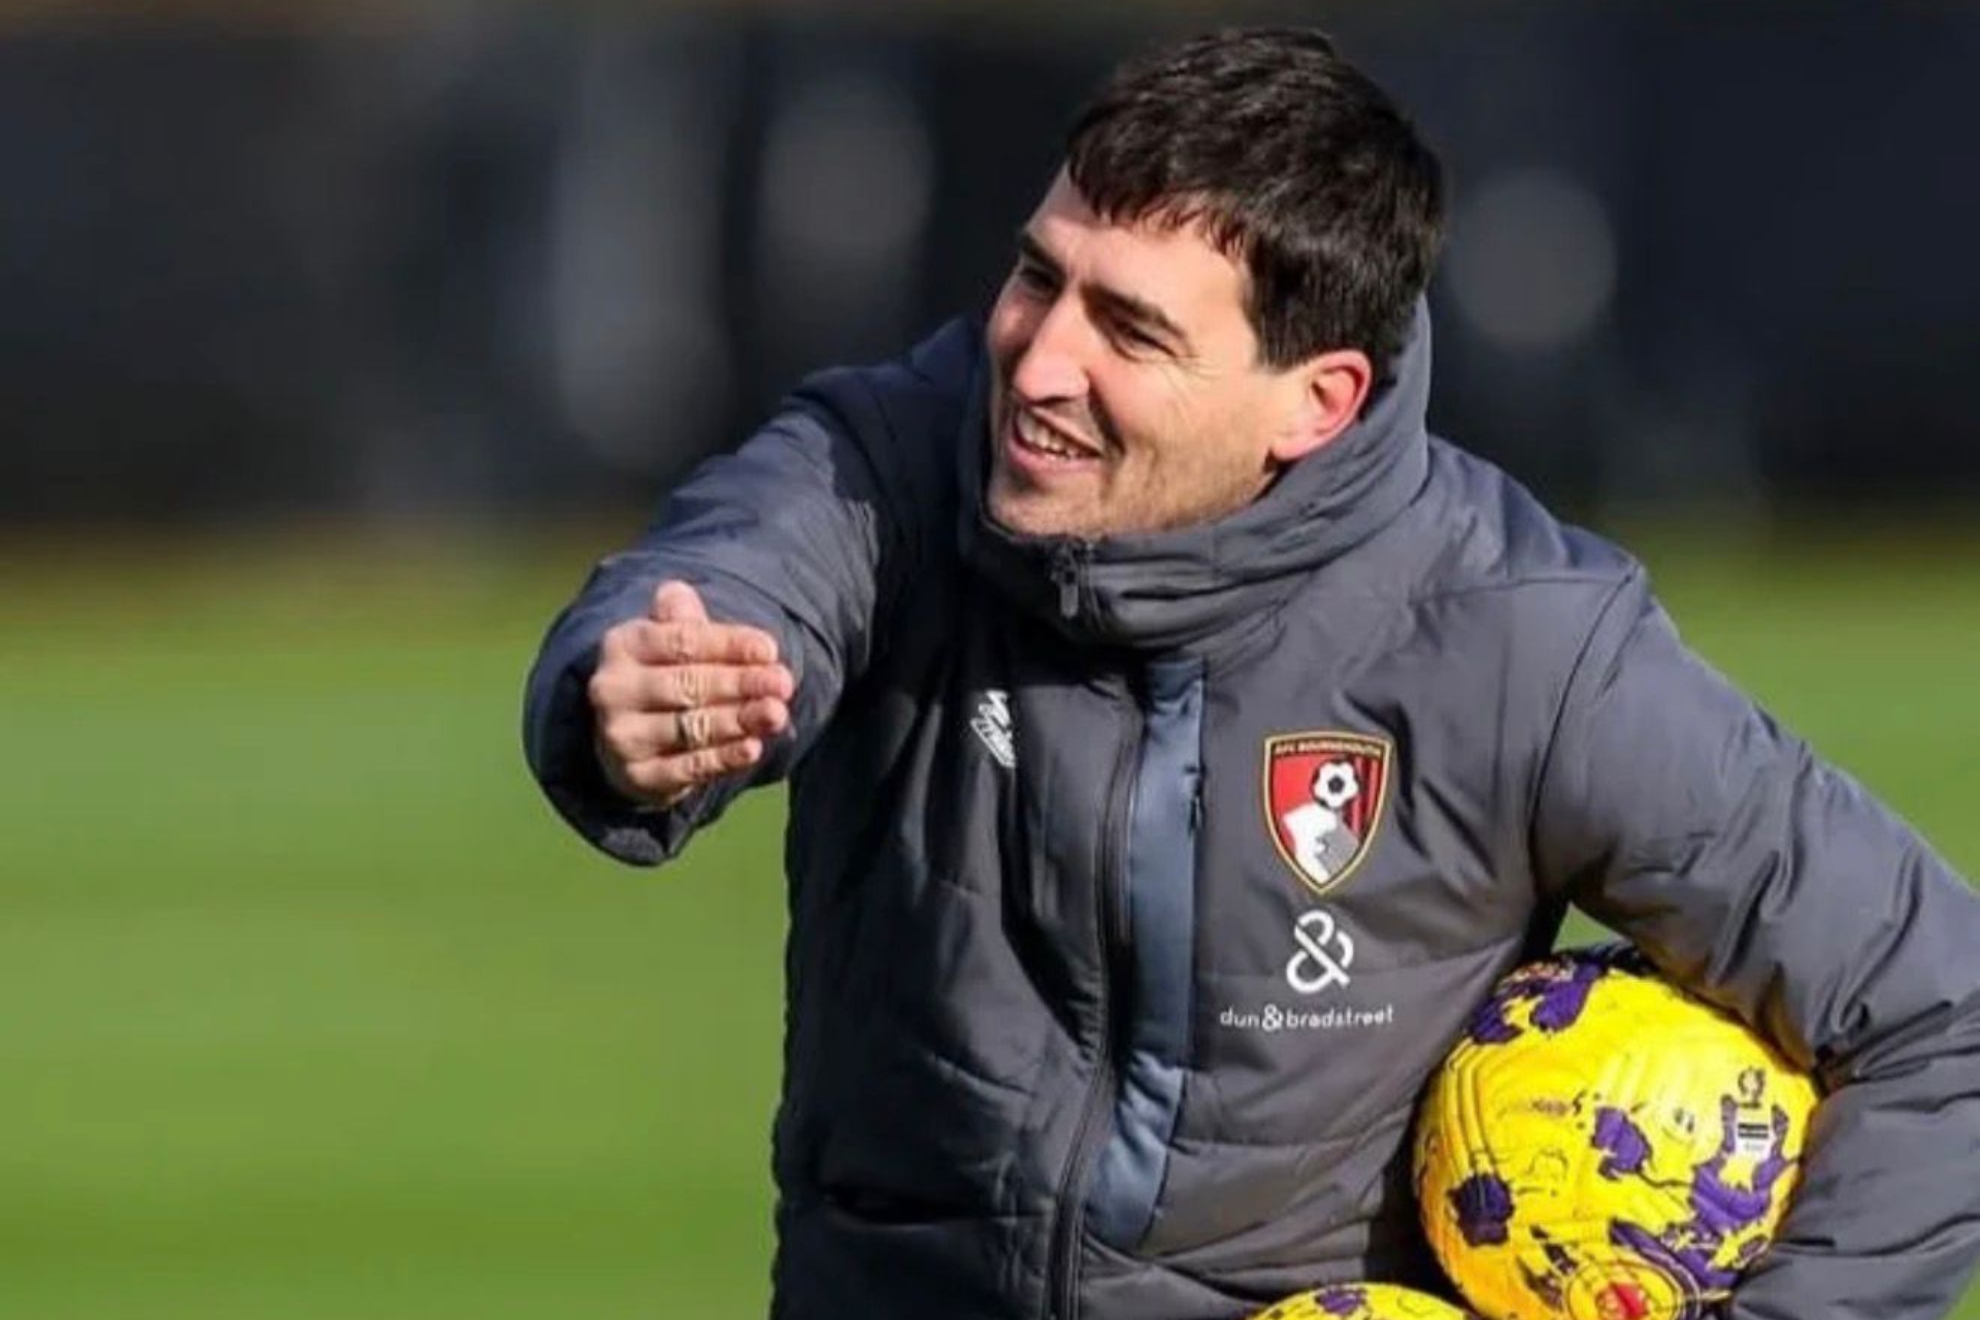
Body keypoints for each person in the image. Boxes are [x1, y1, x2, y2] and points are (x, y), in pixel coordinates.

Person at [523, 28, 1980, 1320]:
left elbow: (1941, 1015)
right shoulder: (892, 464)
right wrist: (629, 701)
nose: (1036, 364)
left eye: (1133, 330)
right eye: (1043, 276)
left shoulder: (1522, 639)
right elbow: (737, 573)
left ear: (1316, 402)